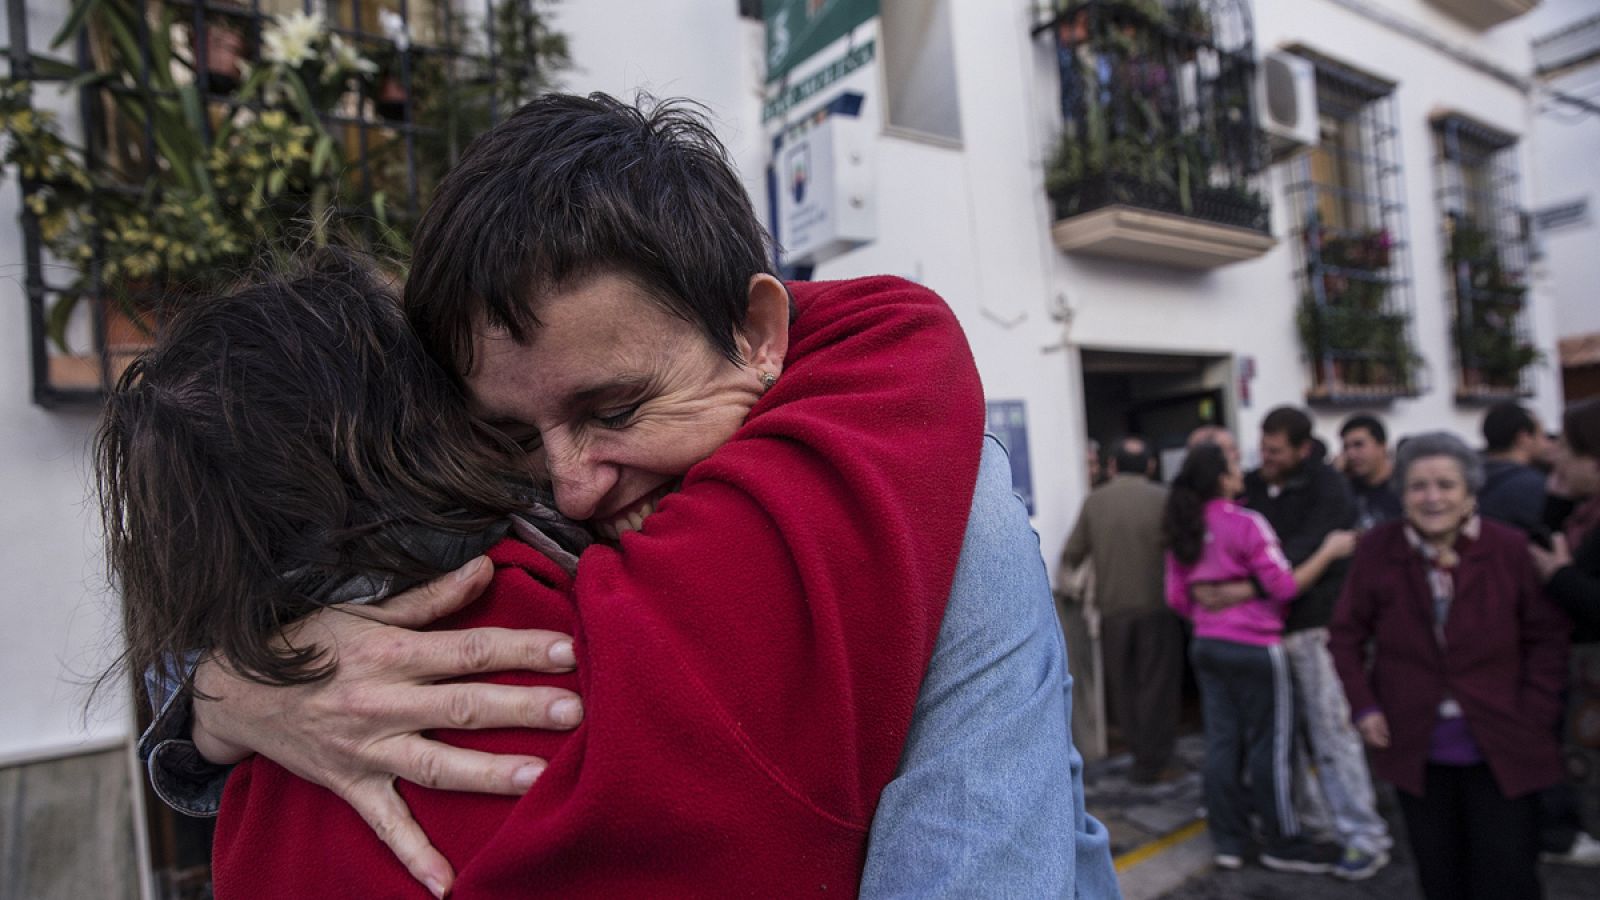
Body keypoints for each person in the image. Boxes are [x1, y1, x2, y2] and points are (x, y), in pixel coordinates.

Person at [137, 95, 1118, 897]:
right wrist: (224, 695)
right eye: (512, 436)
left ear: (758, 332)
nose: (569, 483)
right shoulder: (537, 595)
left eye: (616, 407)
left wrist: (216, 701)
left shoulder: (932, 495)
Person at [1330, 432, 1570, 900]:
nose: (1432, 497)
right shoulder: (1378, 548)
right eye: (1418, 486)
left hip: (1503, 739)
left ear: (1469, 495)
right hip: (1415, 743)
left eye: (1446, 485)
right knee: (1441, 877)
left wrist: (1537, 711)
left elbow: (1546, 636)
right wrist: (1364, 706)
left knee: (1508, 875)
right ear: (1402, 495)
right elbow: (1345, 635)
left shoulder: (1508, 548)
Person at [1164, 442, 1355, 874]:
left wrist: (1209, 611)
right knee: (1272, 745)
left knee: (1221, 744)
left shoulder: (1184, 526)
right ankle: (1282, 841)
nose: (1242, 471)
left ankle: (1229, 841)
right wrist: (1328, 551)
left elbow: (1176, 596)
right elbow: (1284, 587)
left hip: (1208, 646)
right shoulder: (1248, 523)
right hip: (1256, 647)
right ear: (1220, 478)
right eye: (1233, 465)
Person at [1242, 406, 1391, 875]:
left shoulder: (1329, 488)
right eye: (1262, 448)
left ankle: (1364, 835)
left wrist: (1245, 584)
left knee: (1333, 735)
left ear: (1302, 449)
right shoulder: (1256, 485)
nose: (1265, 457)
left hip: (1316, 627)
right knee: (1289, 742)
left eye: (1276, 451)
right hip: (1270, 631)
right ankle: (1318, 825)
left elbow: (1289, 556)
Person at [1063, 436, 1182, 783]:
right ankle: (1154, 760)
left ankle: (1137, 755)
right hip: (1158, 608)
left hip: (1112, 611)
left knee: (1124, 687)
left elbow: (1072, 553)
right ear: (1151, 465)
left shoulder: (1095, 502)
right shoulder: (1165, 498)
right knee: (1156, 687)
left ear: (1112, 466)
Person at [1529, 398, 1600, 865]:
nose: (1556, 458)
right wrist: (1556, 500)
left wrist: (1559, 577)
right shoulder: (1581, 514)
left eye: (1567, 452)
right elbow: (1546, 536)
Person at [1479, 401, 1550, 536]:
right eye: (1542, 435)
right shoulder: (1535, 484)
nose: (1547, 444)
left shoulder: (1467, 478)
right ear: (1523, 438)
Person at [1339, 414, 1401, 530]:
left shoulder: (1403, 488)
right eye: (1346, 447)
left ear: (1382, 446)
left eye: (1359, 445)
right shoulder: (1345, 489)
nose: (1351, 454)